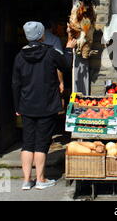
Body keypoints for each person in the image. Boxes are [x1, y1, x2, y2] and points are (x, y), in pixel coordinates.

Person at [12, 21, 76, 190]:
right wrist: (69, 48)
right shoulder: (50, 53)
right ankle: (40, 179)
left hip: (26, 105)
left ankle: (26, 180)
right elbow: (66, 65)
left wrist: (17, 106)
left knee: (27, 143)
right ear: (41, 35)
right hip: (46, 104)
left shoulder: (19, 56)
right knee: (42, 142)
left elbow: (15, 84)